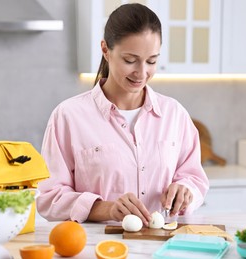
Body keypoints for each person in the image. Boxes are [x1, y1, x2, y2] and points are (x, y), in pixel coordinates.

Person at [36, 3, 209, 226]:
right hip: (99, 249)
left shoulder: (174, 114)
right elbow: (49, 197)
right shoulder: (69, 116)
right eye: (130, 60)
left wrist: (187, 191)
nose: (142, 72)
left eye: (152, 61)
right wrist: (106, 208)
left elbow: (194, 177)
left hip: (163, 246)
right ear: (106, 50)